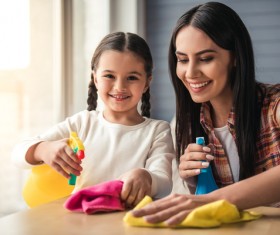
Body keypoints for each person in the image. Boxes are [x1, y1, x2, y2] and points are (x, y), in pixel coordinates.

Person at [131, 1, 280, 225]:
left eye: (206, 58)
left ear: (236, 58)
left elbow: (211, 203)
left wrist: (211, 200)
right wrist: (192, 183)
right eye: (182, 60)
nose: (190, 73)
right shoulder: (185, 123)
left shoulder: (274, 105)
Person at [12, 32, 175, 208]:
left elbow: (164, 183)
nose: (120, 87)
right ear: (95, 78)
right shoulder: (82, 123)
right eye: (109, 76)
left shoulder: (158, 130)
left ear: (147, 82)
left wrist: (146, 176)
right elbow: (18, 154)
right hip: (80, 223)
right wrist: (43, 149)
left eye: (132, 78)